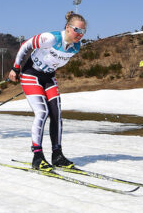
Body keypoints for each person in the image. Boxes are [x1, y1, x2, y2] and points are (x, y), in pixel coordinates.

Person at [8, 11, 87, 171]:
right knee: (42, 113)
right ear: (67, 27)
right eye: (77, 30)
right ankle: (37, 157)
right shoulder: (50, 38)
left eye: (83, 32)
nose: (80, 34)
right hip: (31, 73)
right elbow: (25, 45)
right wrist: (15, 68)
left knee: (56, 114)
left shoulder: (76, 47)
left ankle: (57, 155)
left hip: (48, 77)